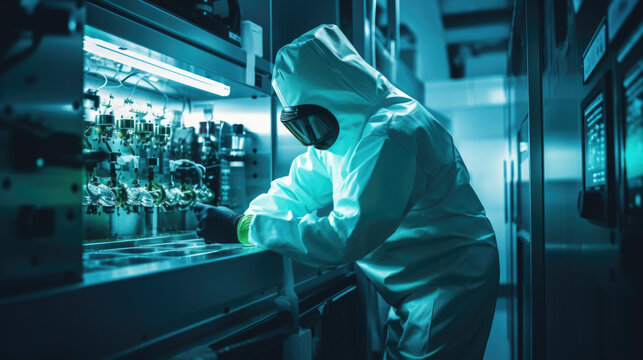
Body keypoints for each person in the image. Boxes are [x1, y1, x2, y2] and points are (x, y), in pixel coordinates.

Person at [194, 24, 499, 360]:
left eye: (310, 121)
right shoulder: (346, 127)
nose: (311, 138)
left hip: (448, 280)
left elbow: (343, 235)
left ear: (332, 95)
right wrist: (251, 216)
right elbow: (299, 188)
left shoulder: (391, 133)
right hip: (414, 280)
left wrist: (242, 227)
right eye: (300, 126)